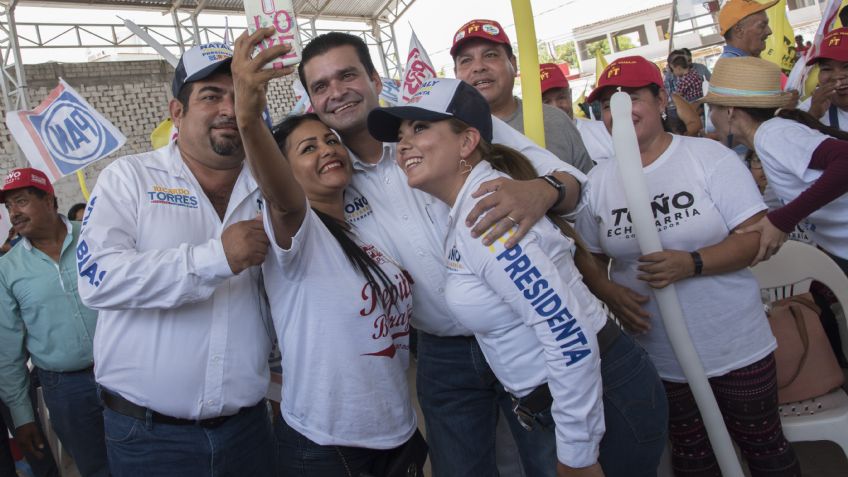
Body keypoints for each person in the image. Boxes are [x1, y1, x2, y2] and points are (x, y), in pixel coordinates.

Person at [298, 31, 587, 477]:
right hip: (441, 353)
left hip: (521, 330)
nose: (336, 92)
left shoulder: (438, 120)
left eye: (347, 75)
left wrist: (543, 190)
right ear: (313, 101)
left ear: (375, 77)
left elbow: (570, 183)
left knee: (555, 462)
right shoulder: (330, 178)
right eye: (320, 86)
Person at [368, 77, 668, 477]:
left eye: (420, 128)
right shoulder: (475, 207)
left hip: (600, 401)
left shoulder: (487, 218)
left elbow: (568, 334)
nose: (403, 145)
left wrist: (577, 454)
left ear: (466, 142)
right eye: (401, 134)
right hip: (580, 399)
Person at [575, 55, 801, 477]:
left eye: (631, 98)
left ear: (661, 99)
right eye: (607, 105)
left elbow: (756, 238)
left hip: (734, 345)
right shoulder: (600, 180)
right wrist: (608, 292)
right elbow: (588, 252)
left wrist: (692, 263)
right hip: (658, 355)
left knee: (763, 446)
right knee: (692, 455)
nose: (618, 112)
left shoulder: (705, 157)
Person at [76, 42, 275, 476]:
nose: (228, 108)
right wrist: (215, 258)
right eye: (211, 95)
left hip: (250, 431)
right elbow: (97, 279)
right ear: (177, 112)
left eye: (239, 95)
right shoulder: (129, 178)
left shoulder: (272, 185)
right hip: (148, 438)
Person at [231, 28, 421, 475]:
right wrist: (248, 120)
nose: (327, 149)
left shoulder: (366, 235)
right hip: (327, 447)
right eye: (307, 147)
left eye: (331, 141)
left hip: (398, 432)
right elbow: (283, 197)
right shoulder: (297, 230)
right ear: (284, 168)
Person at [0, 168, 108, 477]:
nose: (14, 213)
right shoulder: (8, 269)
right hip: (65, 390)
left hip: (125, 372)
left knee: (147, 458)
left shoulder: (96, 236)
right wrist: (23, 418)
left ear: (50, 200)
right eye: (8, 206)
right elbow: (8, 353)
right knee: (96, 468)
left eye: (20, 201)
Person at [702, 56, 848, 274]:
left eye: (711, 109)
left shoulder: (772, 134)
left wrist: (782, 221)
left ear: (730, 111)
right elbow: (766, 210)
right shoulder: (768, 142)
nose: (710, 120)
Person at [451, 19, 594, 174]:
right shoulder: (447, 134)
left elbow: (590, 190)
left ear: (513, 63)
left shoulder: (555, 120)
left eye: (490, 55)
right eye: (466, 60)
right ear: (455, 74)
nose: (478, 67)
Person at [539, 63, 613, 163]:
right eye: (546, 102)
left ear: (570, 94)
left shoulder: (604, 130)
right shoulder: (534, 145)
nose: (555, 107)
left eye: (561, 98)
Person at [800, 28, 848, 129]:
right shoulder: (812, 105)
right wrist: (813, 115)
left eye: (846, 66)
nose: (836, 76)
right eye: (827, 69)